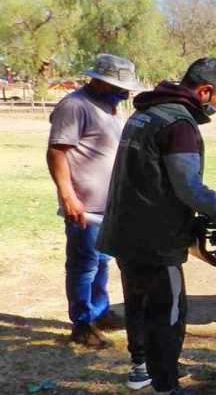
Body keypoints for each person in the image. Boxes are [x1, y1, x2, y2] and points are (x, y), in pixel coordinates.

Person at [97, 58, 216, 394]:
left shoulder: (145, 113)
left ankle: (142, 369)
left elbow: (159, 177)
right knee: (167, 315)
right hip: (156, 240)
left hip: (125, 231)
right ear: (205, 91)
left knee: (138, 305)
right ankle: (167, 387)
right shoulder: (179, 124)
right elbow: (188, 188)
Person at [47, 53, 144, 349]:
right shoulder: (75, 106)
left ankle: (100, 313)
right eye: (118, 86)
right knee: (83, 265)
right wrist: (68, 197)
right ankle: (81, 323)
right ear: (100, 82)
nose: (125, 92)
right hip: (84, 207)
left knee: (102, 260)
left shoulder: (111, 107)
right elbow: (56, 152)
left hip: (110, 205)